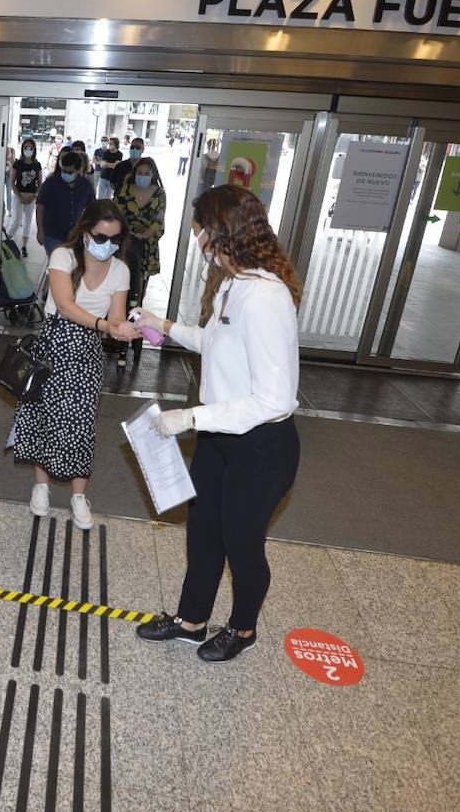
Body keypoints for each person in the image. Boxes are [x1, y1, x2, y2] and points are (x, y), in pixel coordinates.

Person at [132, 184, 301, 664]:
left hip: (261, 447)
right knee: (203, 528)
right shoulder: (234, 283)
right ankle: (191, 621)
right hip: (221, 438)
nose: (197, 239)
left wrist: (189, 417)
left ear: (221, 234)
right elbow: (216, 342)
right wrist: (163, 326)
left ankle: (243, 628)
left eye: (201, 230)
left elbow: (272, 399)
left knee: (241, 542)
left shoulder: (266, 297)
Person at [9, 199, 138, 530]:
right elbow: (65, 305)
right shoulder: (62, 256)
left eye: (114, 239)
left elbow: (117, 316)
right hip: (54, 343)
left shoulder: (121, 269)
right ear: (84, 231)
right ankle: (41, 486)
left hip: (88, 352)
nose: (107, 245)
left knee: (82, 423)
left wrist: (123, 328)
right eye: (100, 237)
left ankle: (78, 495)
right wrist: (105, 325)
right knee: (45, 415)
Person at [116, 156, 167, 362]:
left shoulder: (159, 194)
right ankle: (116, 330)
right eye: (140, 173)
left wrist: (143, 235)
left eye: (147, 174)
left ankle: (135, 334)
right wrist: (125, 235)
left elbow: (159, 221)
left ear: (153, 175)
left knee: (137, 294)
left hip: (145, 248)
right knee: (118, 290)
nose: (142, 176)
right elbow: (114, 213)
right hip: (123, 246)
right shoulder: (125, 190)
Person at [36, 149, 95, 253]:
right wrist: (40, 231)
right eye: (64, 171)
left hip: (76, 236)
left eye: (70, 172)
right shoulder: (50, 183)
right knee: (56, 262)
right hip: (52, 235)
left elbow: (91, 209)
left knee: (71, 265)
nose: (66, 174)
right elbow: (40, 206)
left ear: (79, 170)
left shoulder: (86, 186)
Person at [8, 139, 42, 251]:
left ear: (34, 150)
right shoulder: (17, 164)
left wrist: (34, 196)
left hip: (31, 196)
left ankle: (24, 246)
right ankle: (5, 241)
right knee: (16, 220)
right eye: (26, 148)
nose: (28, 150)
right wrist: (19, 196)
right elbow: (12, 182)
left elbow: (40, 183)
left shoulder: (37, 165)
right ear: (22, 149)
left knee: (28, 221)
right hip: (19, 195)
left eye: (30, 148)